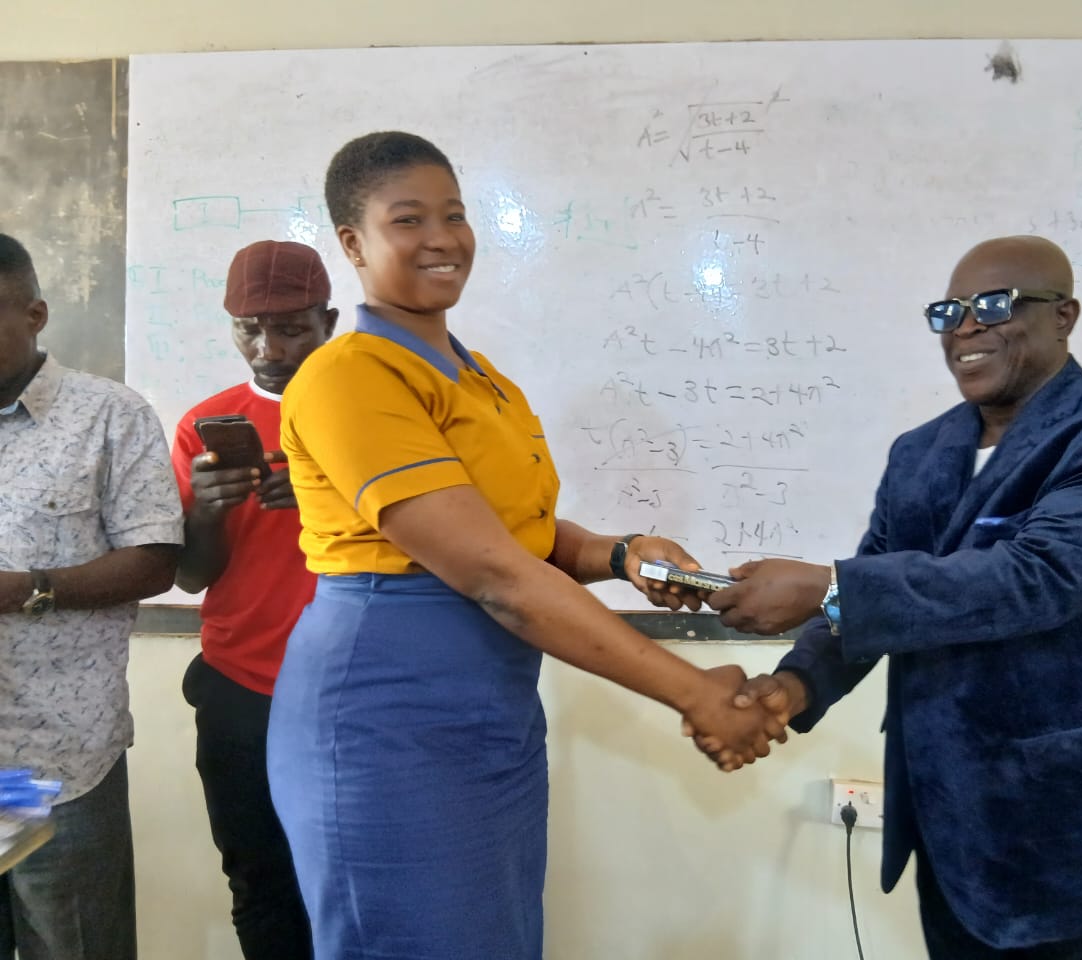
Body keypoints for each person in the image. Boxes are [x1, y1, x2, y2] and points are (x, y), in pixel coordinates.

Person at [264, 131, 779, 960]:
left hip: (489, 715)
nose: (442, 238)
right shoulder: (346, 377)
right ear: (354, 244)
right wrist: (693, 691)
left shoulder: (481, 378)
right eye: (408, 219)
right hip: (385, 719)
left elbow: (516, 534)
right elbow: (494, 574)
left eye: (455, 214)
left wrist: (622, 554)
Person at [701, 235, 1082, 959]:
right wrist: (795, 685)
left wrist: (827, 586)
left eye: (995, 305)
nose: (966, 327)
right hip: (950, 826)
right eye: (949, 312)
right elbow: (875, 591)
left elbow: (1034, 580)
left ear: (1064, 316)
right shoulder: (920, 452)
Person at [0, 232, 184, 959]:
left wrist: (27, 590)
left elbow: (155, 561)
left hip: (52, 766)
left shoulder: (110, 416)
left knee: (72, 944)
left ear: (36, 314)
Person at [171, 240, 338, 960]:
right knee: (260, 883)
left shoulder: (370, 415)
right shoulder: (203, 425)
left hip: (352, 686)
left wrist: (325, 494)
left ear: (329, 322)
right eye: (249, 329)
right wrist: (206, 512)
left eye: (292, 328)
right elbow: (190, 576)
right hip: (243, 689)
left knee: (356, 881)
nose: (268, 349)